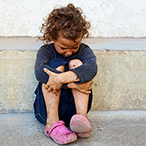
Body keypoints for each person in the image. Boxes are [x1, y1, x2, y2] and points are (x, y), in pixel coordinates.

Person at [34, 3, 97, 145]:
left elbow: (92, 68)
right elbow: (40, 73)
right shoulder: (45, 51)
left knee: (78, 64)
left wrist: (61, 78)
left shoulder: (84, 50)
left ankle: (81, 120)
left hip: (73, 113)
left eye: (74, 47)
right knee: (57, 64)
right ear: (52, 37)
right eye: (63, 47)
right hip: (46, 110)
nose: (68, 52)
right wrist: (73, 85)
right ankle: (52, 124)